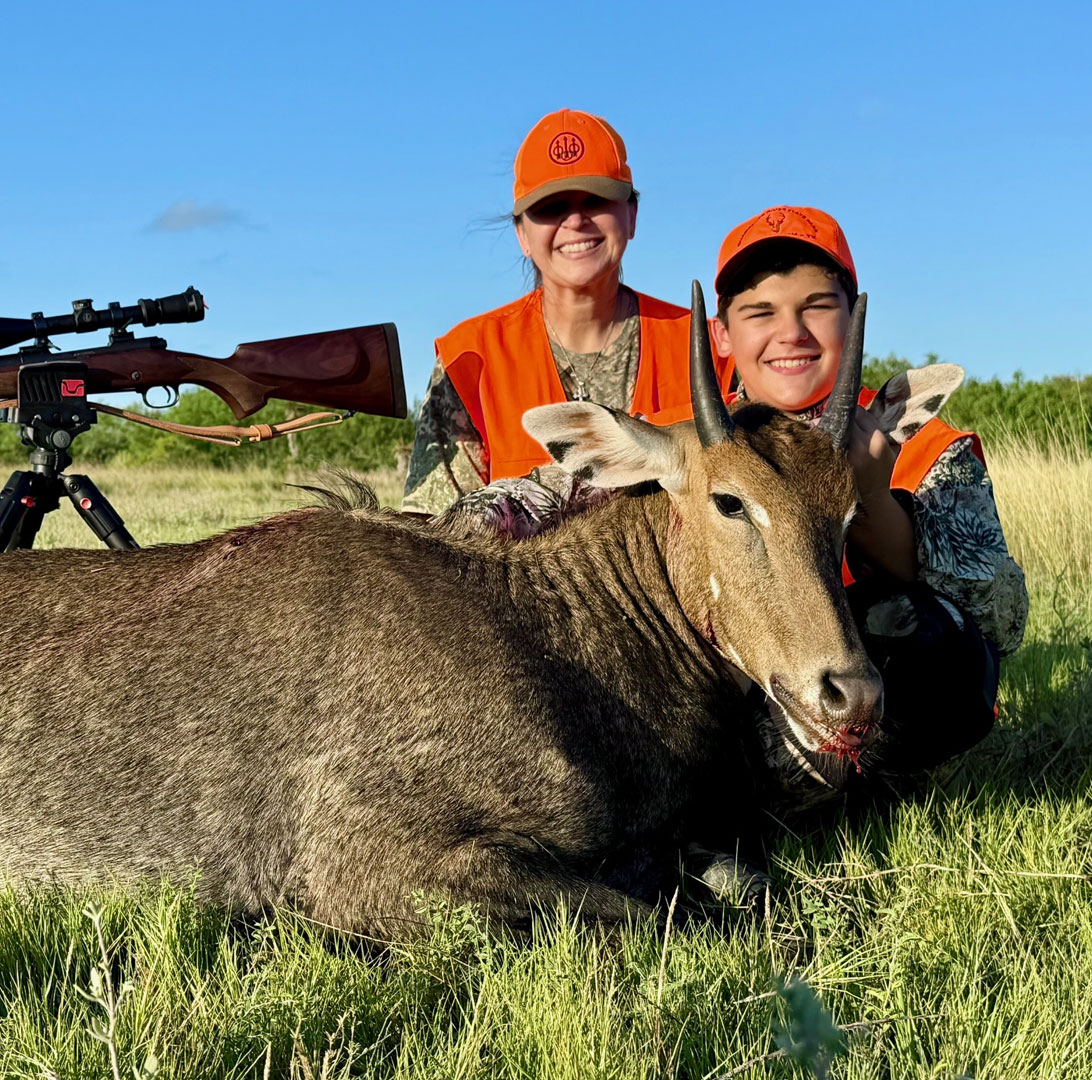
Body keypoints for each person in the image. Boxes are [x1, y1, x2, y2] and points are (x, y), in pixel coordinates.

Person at [435, 204, 1029, 814]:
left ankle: (859, 795)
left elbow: (998, 618)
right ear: (722, 336)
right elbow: (522, 503)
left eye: (818, 307)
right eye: (760, 312)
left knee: (943, 648)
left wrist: (870, 496)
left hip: (848, 675)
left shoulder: (919, 444)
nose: (791, 333)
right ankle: (711, 815)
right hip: (717, 704)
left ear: (852, 323)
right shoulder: (688, 441)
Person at [401, 108, 733, 526]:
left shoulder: (710, 348)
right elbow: (429, 535)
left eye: (596, 199)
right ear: (522, 234)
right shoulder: (469, 359)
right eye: (551, 207)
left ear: (631, 216)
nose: (575, 220)